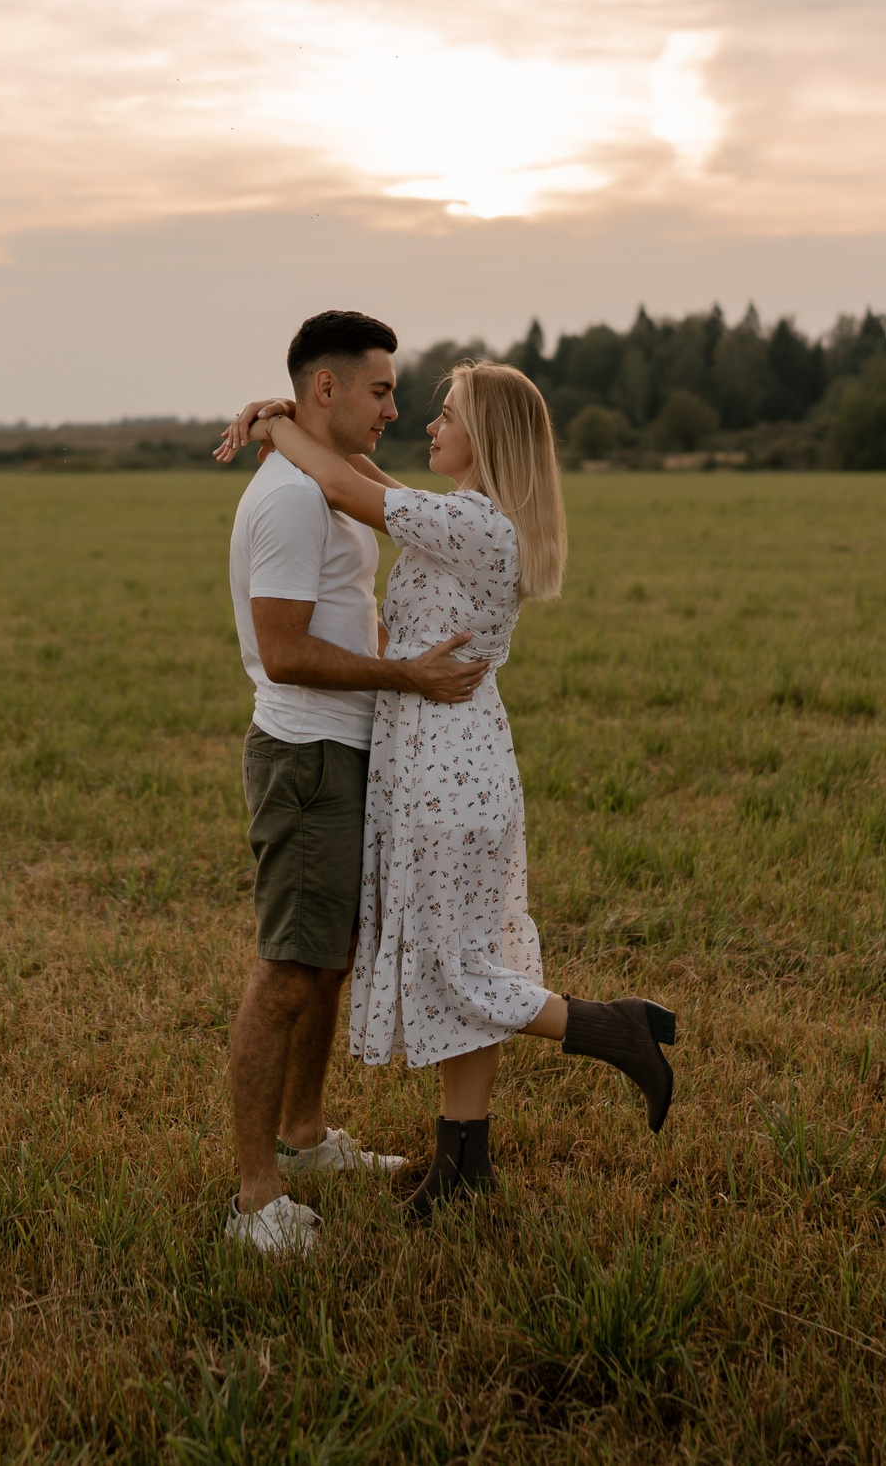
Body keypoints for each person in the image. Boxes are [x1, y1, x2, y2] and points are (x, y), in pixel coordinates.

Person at [219, 358, 679, 1223]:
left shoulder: (476, 527)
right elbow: (374, 485)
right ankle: (463, 1170)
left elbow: (350, 489)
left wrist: (278, 425)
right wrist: (296, 425)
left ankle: (615, 1028)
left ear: (487, 439)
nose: (429, 425)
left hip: (445, 766)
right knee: (462, 956)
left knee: (454, 965)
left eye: (449, 414)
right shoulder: (469, 517)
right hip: (441, 755)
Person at [220, 310, 497, 1257]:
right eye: (379, 389)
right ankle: (257, 1200)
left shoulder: (319, 483)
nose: (393, 406)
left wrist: (277, 423)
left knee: (326, 959)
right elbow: (287, 652)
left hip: (344, 754)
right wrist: (408, 676)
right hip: (309, 757)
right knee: (287, 969)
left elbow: (371, 499)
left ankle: (301, 1140)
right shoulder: (295, 500)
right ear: (327, 388)